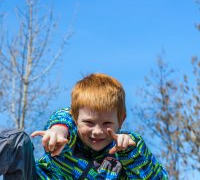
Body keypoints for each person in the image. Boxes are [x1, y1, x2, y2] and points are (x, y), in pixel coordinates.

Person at [0, 73, 168, 179]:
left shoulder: (129, 149)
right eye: (89, 123)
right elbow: (64, 117)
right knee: (16, 141)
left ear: (121, 121)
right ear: (75, 118)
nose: (97, 131)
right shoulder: (67, 139)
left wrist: (131, 154)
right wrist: (59, 129)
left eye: (107, 123)